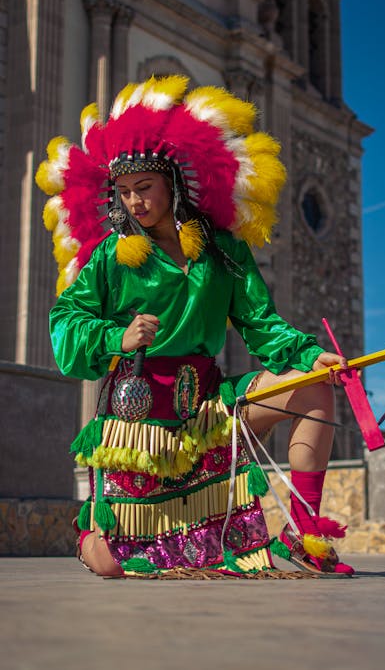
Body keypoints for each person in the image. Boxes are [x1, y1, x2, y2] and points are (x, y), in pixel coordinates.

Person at [36, 75, 354, 578]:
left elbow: (260, 322)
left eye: (144, 188)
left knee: (312, 390)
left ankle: (303, 534)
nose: (135, 201)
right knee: (114, 565)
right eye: (125, 192)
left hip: (209, 407)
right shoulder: (111, 260)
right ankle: (92, 539)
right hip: (138, 423)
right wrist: (116, 337)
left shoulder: (223, 252)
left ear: (173, 184)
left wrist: (309, 357)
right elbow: (65, 323)